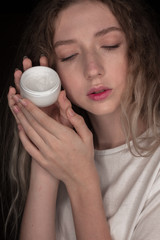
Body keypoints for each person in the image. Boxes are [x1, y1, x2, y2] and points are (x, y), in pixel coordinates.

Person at [1, 0, 160, 239]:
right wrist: (45, 145)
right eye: (69, 56)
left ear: (137, 49)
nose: (92, 69)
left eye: (109, 45)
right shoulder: (64, 156)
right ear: (55, 72)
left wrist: (81, 181)